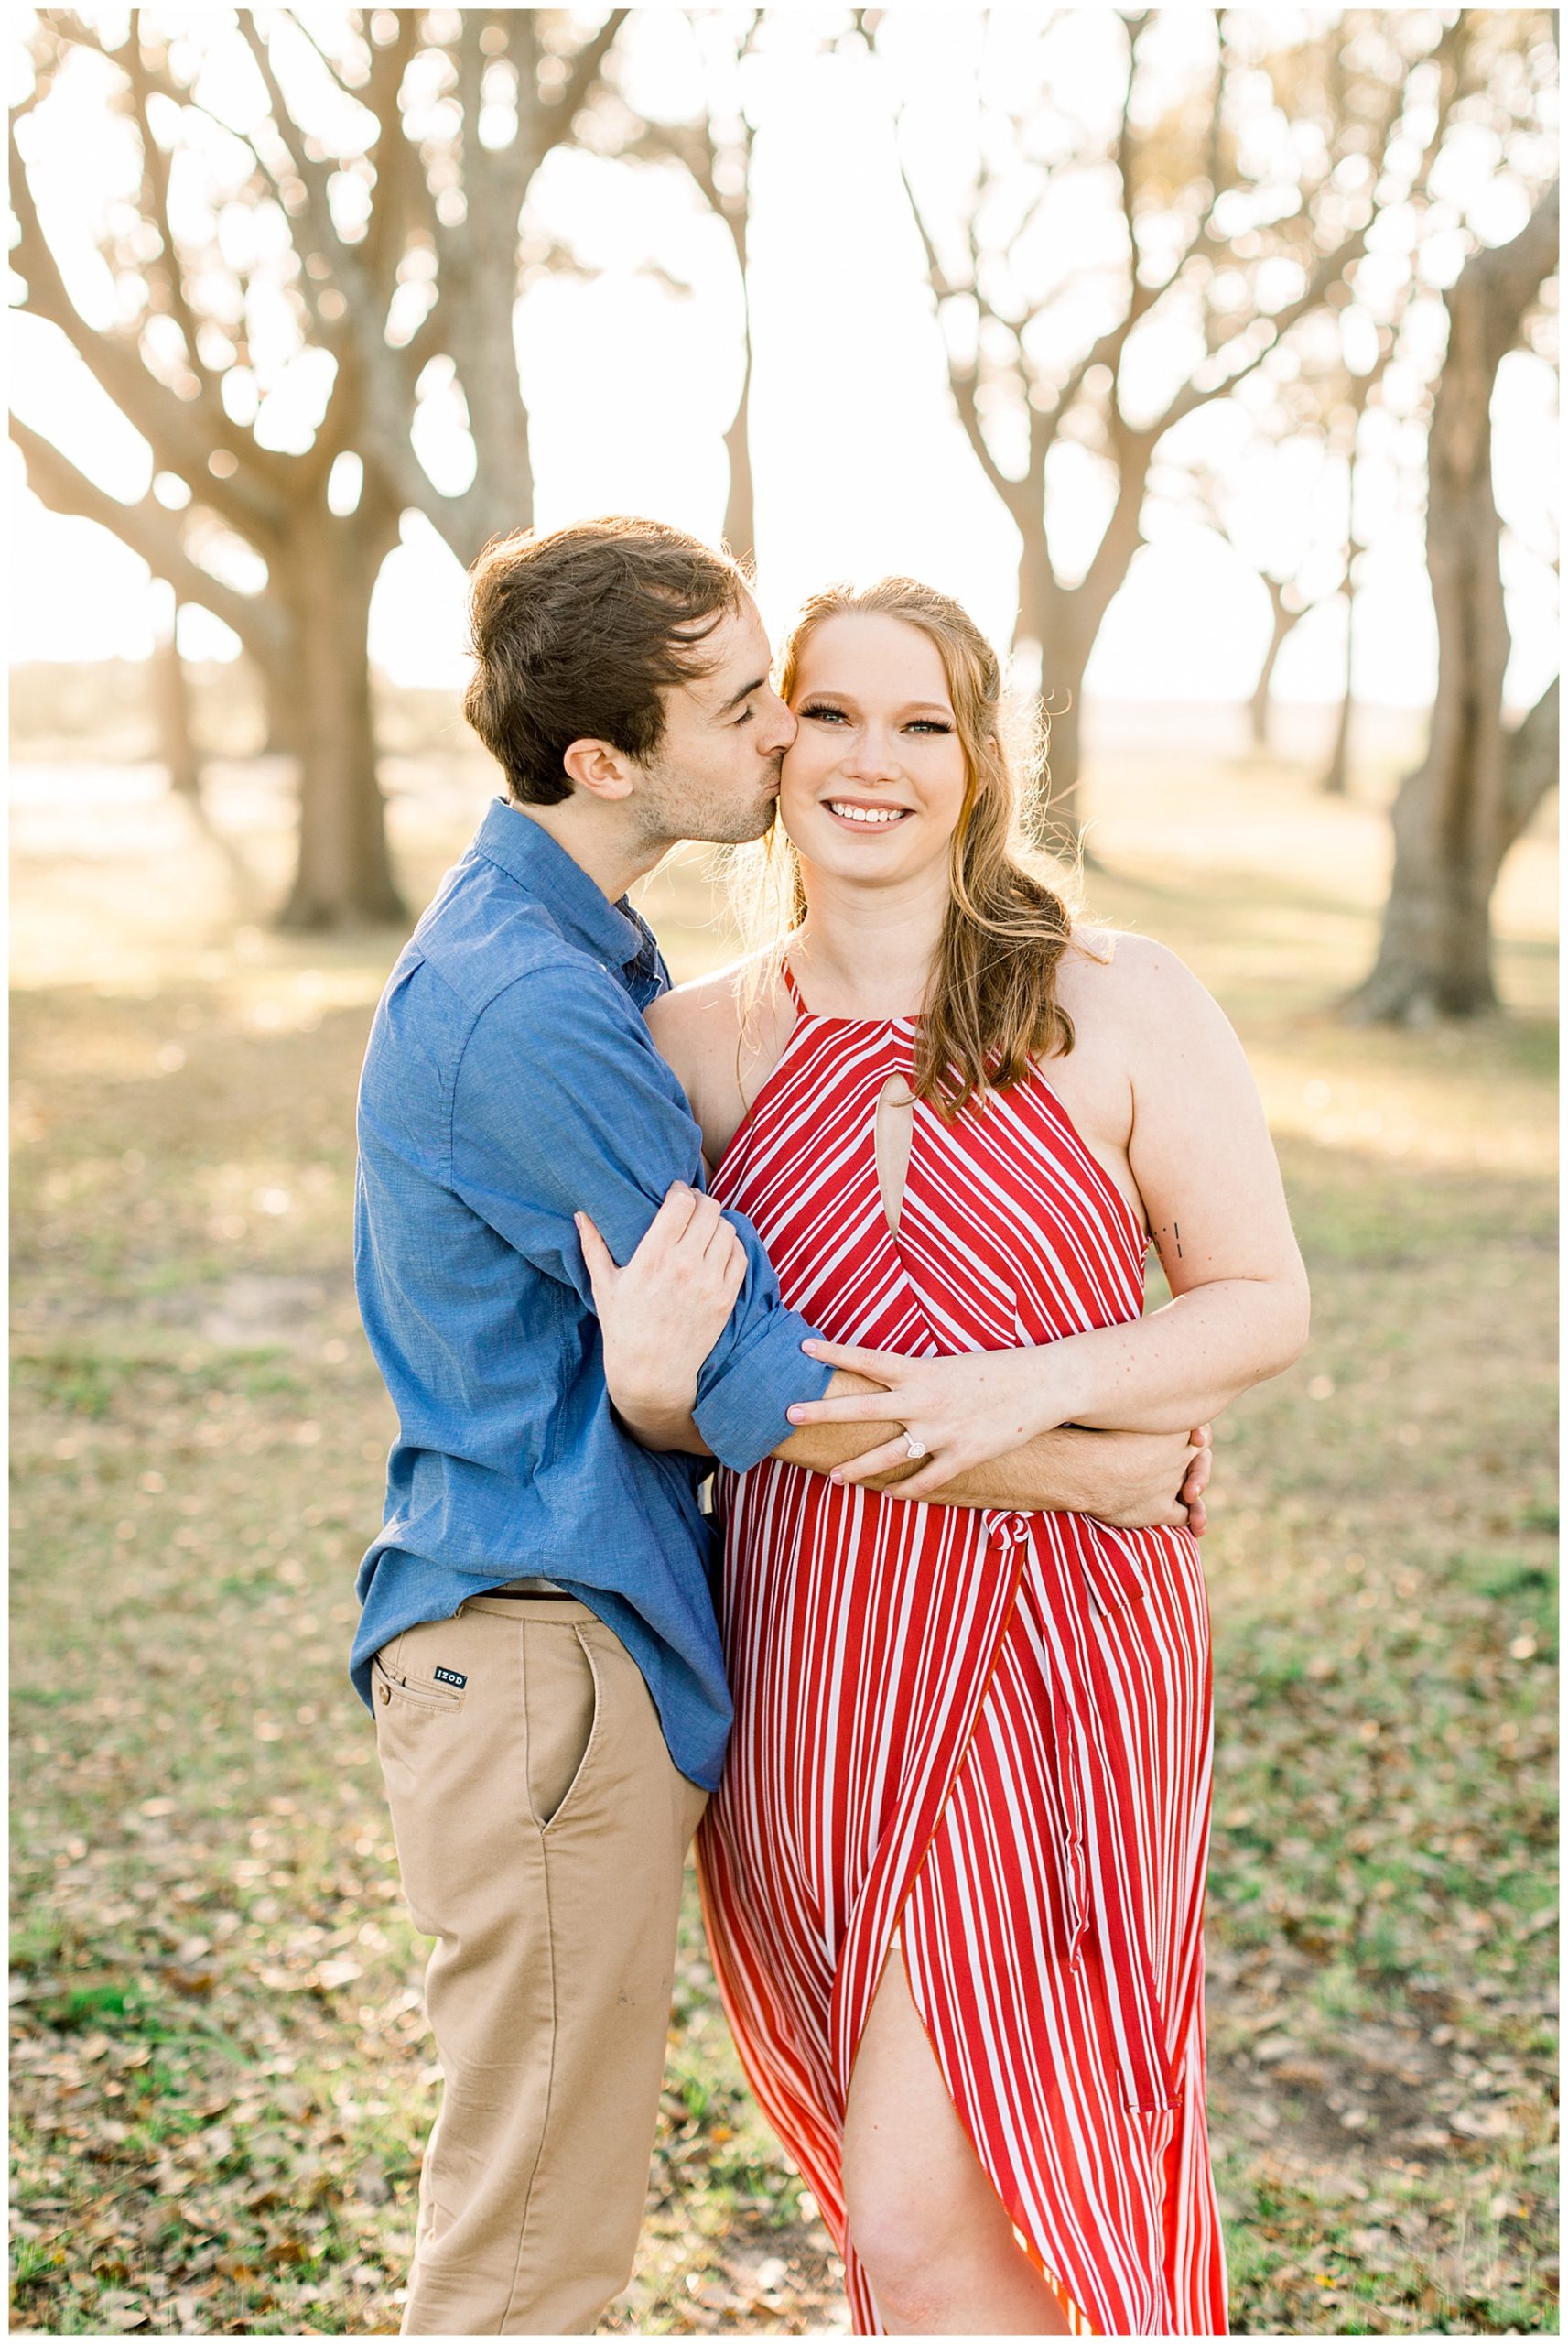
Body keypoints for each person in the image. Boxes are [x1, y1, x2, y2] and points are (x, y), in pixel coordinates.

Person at [353, 519, 1213, 2336]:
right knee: (532, 2244)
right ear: (608, 758)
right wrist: (1088, 1463)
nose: (796, 750)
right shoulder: (555, 1008)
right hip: (548, 1645)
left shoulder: (588, 956)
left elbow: (700, 1365)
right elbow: (731, 1369)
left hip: (681, 1646)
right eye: (766, 708)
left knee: (633, 2209)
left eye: (889, 719)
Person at [586, 576, 1311, 2337]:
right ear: (770, 744)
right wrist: (1069, 1453)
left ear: (982, 764)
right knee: (941, 2231)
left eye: (924, 725)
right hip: (815, 1659)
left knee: (937, 2223)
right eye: (829, 714)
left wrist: (1019, 1390)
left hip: (1068, 1662)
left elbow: (1257, 1300)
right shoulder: (695, 1047)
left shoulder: (1123, 1001)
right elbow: (671, 1395)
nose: (870, 762)